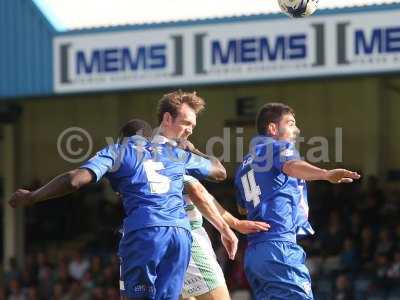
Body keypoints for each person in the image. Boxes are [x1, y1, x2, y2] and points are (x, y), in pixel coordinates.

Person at [9, 91, 232, 300]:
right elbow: (220, 172)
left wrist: (32, 196)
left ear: (123, 138)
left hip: (145, 232)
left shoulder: (118, 150)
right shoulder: (175, 153)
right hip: (180, 236)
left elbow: (74, 180)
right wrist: (192, 149)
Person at [119, 119, 269, 300]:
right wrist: (225, 228)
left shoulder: (127, 166)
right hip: (183, 237)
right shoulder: (165, 156)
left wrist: (235, 222)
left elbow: (203, 195)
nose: (188, 133)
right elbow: (198, 191)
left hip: (139, 239)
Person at [234, 102, 361, 300]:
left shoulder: (243, 165)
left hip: (255, 254)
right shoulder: (278, 147)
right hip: (279, 247)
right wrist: (325, 174)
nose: (297, 129)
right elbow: (292, 165)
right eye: (291, 123)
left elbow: (242, 208)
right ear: (273, 128)